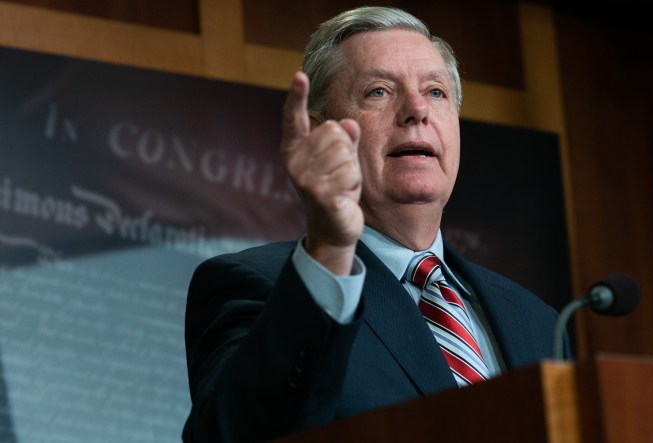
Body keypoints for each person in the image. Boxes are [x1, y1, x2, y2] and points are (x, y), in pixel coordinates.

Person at [182, 6, 569, 442]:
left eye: (436, 92)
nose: (417, 110)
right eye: (379, 92)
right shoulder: (255, 286)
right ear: (319, 134)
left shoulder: (539, 322)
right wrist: (329, 245)